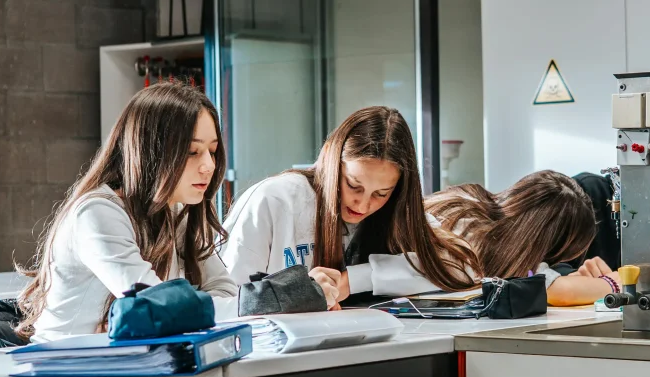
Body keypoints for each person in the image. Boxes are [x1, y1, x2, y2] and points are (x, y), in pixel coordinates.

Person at [16, 83, 339, 343]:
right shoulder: (98, 212)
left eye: (212, 151)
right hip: (64, 367)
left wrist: (264, 297)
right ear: (150, 151)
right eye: (191, 152)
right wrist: (274, 297)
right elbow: (155, 306)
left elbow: (221, 290)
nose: (209, 166)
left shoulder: (178, 211)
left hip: (136, 359)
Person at [220, 106, 478, 304]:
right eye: (354, 185)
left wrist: (351, 281)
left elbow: (462, 267)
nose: (363, 204)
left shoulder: (395, 209)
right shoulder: (275, 200)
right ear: (333, 164)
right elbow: (228, 300)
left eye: (381, 193)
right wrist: (297, 293)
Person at [424, 170, 620, 307]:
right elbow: (562, 293)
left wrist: (570, 278)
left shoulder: (469, 201)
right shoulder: (494, 245)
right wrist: (616, 283)